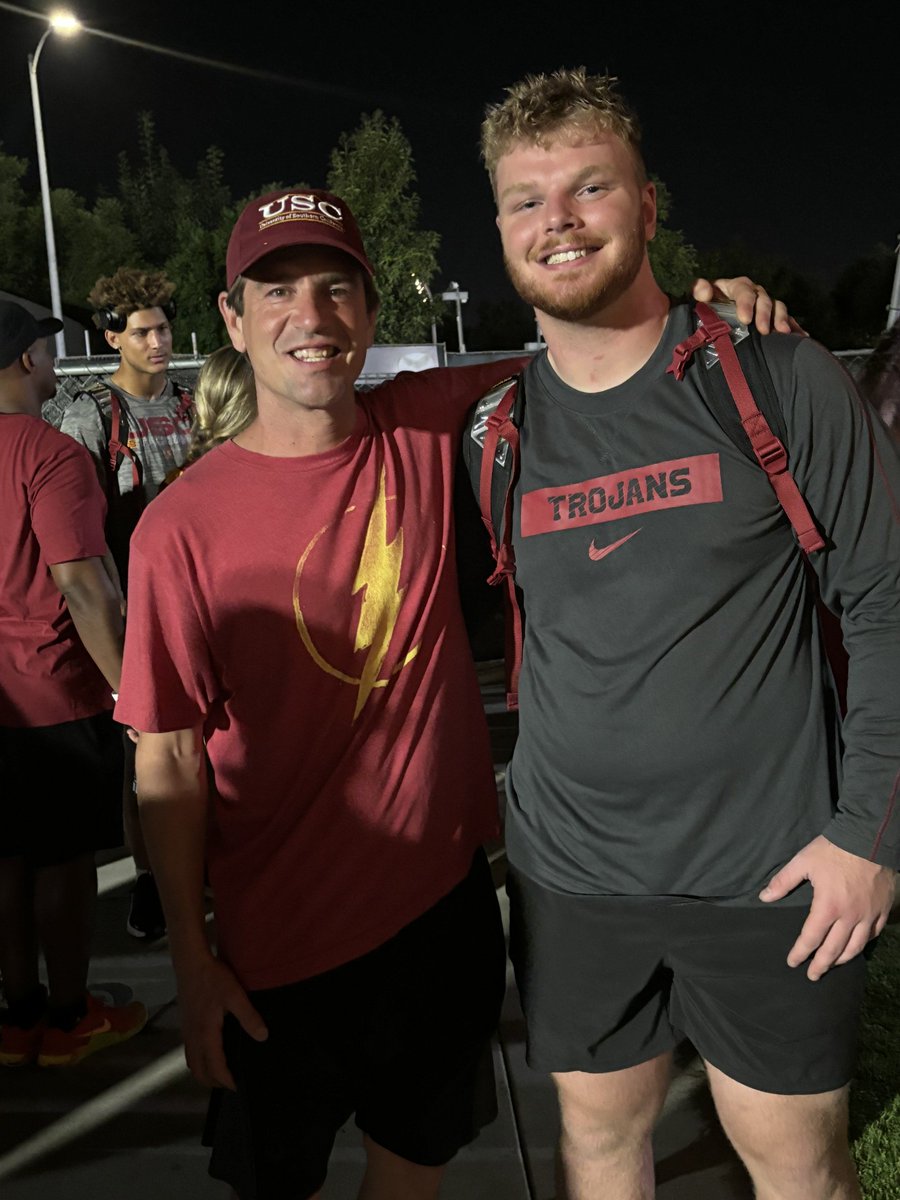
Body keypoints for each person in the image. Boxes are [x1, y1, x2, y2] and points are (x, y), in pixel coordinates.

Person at [115, 186, 790, 1199]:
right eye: (279, 292)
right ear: (232, 319)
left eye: (337, 289)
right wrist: (191, 959)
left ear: (373, 313)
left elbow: (601, 352)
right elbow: (164, 760)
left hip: (439, 919)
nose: (312, 318)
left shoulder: (428, 427)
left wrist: (706, 311)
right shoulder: (181, 529)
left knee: (414, 1169)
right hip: (270, 955)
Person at [476, 68, 900, 1200]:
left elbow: (888, 599)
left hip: (768, 876)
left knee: (797, 1163)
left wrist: (872, 835)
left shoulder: (774, 376)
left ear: (648, 204)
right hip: (570, 879)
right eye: (526, 199)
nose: (557, 221)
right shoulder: (496, 426)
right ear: (502, 228)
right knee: (601, 1145)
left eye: (588, 187)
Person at [0, 301, 147, 1068]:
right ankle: (68, 1016)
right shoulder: (52, 456)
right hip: (53, 690)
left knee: (6, 860)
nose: (55, 364)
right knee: (62, 862)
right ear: (27, 360)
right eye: (49, 352)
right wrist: (133, 693)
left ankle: (16, 1011)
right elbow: (85, 589)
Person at [57, 267, 194, 942]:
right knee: (144, 755)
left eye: (164, 327)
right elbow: (78, 533)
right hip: (133, 609)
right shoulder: (90, 415)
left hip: (199, 601)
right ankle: (151, 879)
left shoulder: (195, 404)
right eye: (142, 330)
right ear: (111, 336)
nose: (158, 340)